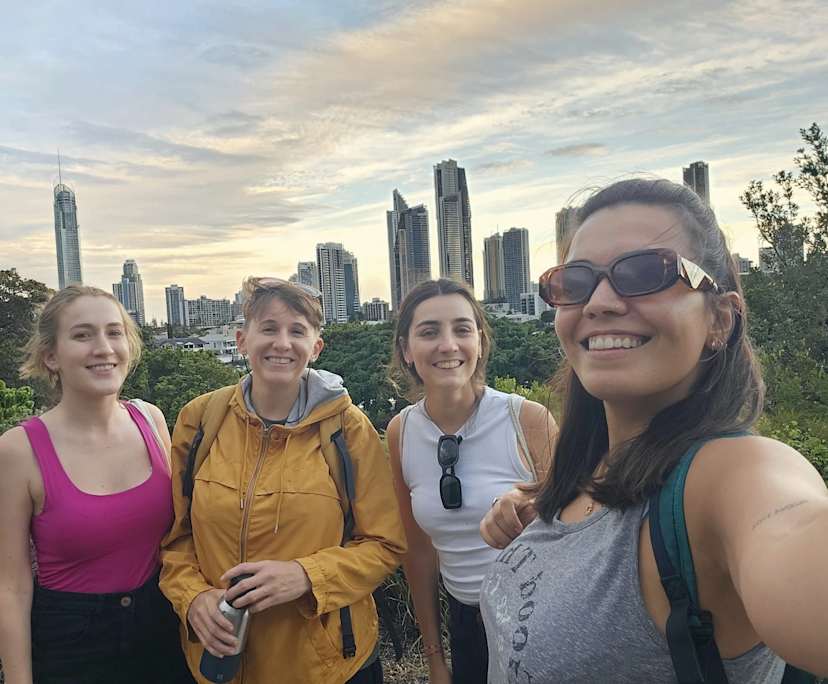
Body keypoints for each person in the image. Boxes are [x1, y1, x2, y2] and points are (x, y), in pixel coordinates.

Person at [479, 178, 828, 682]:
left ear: (720, 319)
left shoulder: (733, 475)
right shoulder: (587, 474)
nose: (599, 302)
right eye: (575, 281)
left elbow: (790, 529)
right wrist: (539, 507)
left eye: (645, 273)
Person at [159, 277, 406, 684]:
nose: (282, 343)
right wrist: (193, 597)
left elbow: (385, 544)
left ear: (316, 347)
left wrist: (306, 576)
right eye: (269, 328)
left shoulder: (346, 428)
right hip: (218, 661)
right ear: (242, 340)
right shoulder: (201, 420)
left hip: (325, 665)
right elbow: (177, 539)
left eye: (297, 331)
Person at [0, 285, 193, 684]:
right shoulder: (19, 451)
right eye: (82, 335)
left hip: (163, 634)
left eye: (114, 332)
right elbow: (11, 588)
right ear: (51, 355)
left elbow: (180, 538)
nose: (103, 348)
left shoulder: (151, 420)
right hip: (71, 647)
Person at [386, 279, 556, 684]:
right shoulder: (401, 432)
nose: (448, 345)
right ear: (407, 349)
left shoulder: (527, 420)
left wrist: (531, 504)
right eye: (429, 332)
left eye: (462, 329)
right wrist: (434, 658)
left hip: (540, 619)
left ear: (479, 342)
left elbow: (580, 526)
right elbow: (418, 552)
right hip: (466, 624)